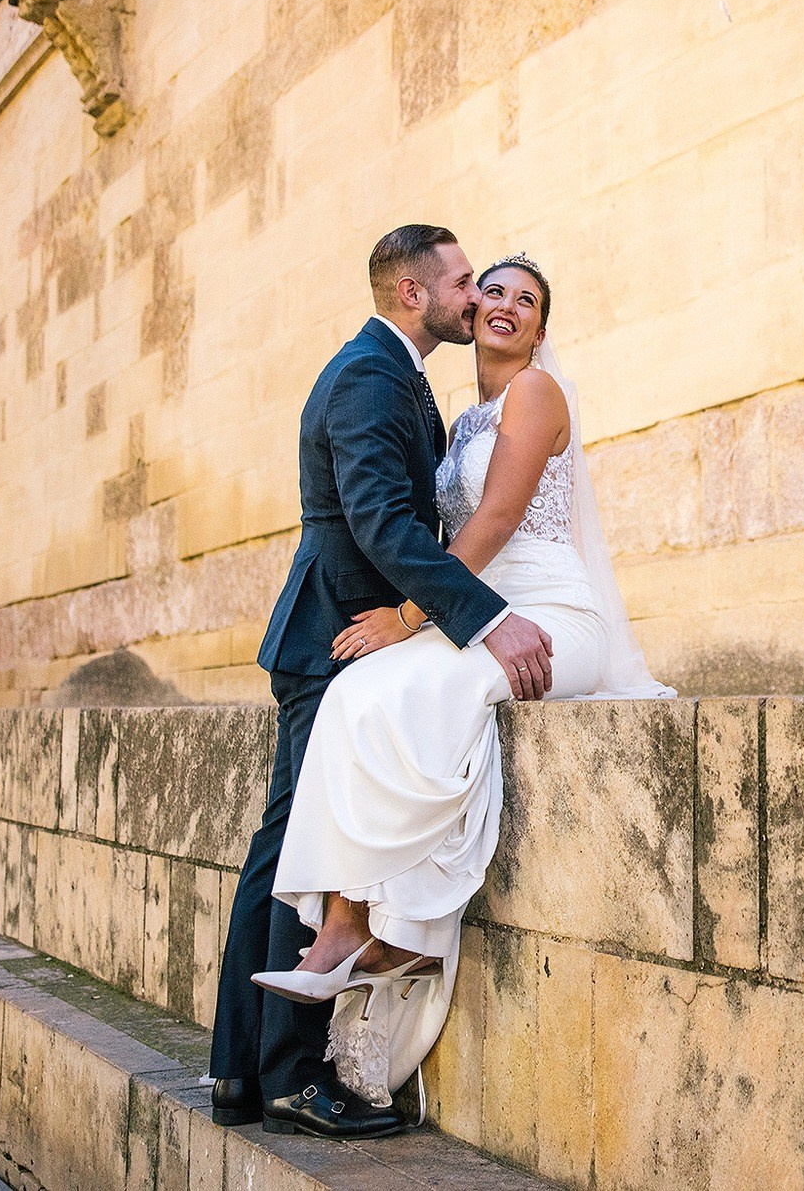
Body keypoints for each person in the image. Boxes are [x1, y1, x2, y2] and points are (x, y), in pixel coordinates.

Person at [254, 249, 671, 1115]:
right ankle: (344, 923)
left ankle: (386, 930)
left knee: (413, 690)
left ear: (540, 329)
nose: (507, 306)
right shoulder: (467, 415)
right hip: (482, 612)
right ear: (470, 309)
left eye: (527, 300)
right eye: (493, 292)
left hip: (549, 618)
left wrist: (408, 620)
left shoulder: (535, 395)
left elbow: (497, 518)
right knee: (355, 696)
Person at [207, 225, 557, 1140]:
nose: (475, 296)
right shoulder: (369, 376)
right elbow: (382, 526)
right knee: (299, 852)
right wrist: (475, 615)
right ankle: (285, 1073)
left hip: (359, 638)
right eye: (461, 281)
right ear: (413, 293)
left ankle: (242, 1072)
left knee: (285, 843)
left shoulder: (399, 373)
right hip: (341, 640)